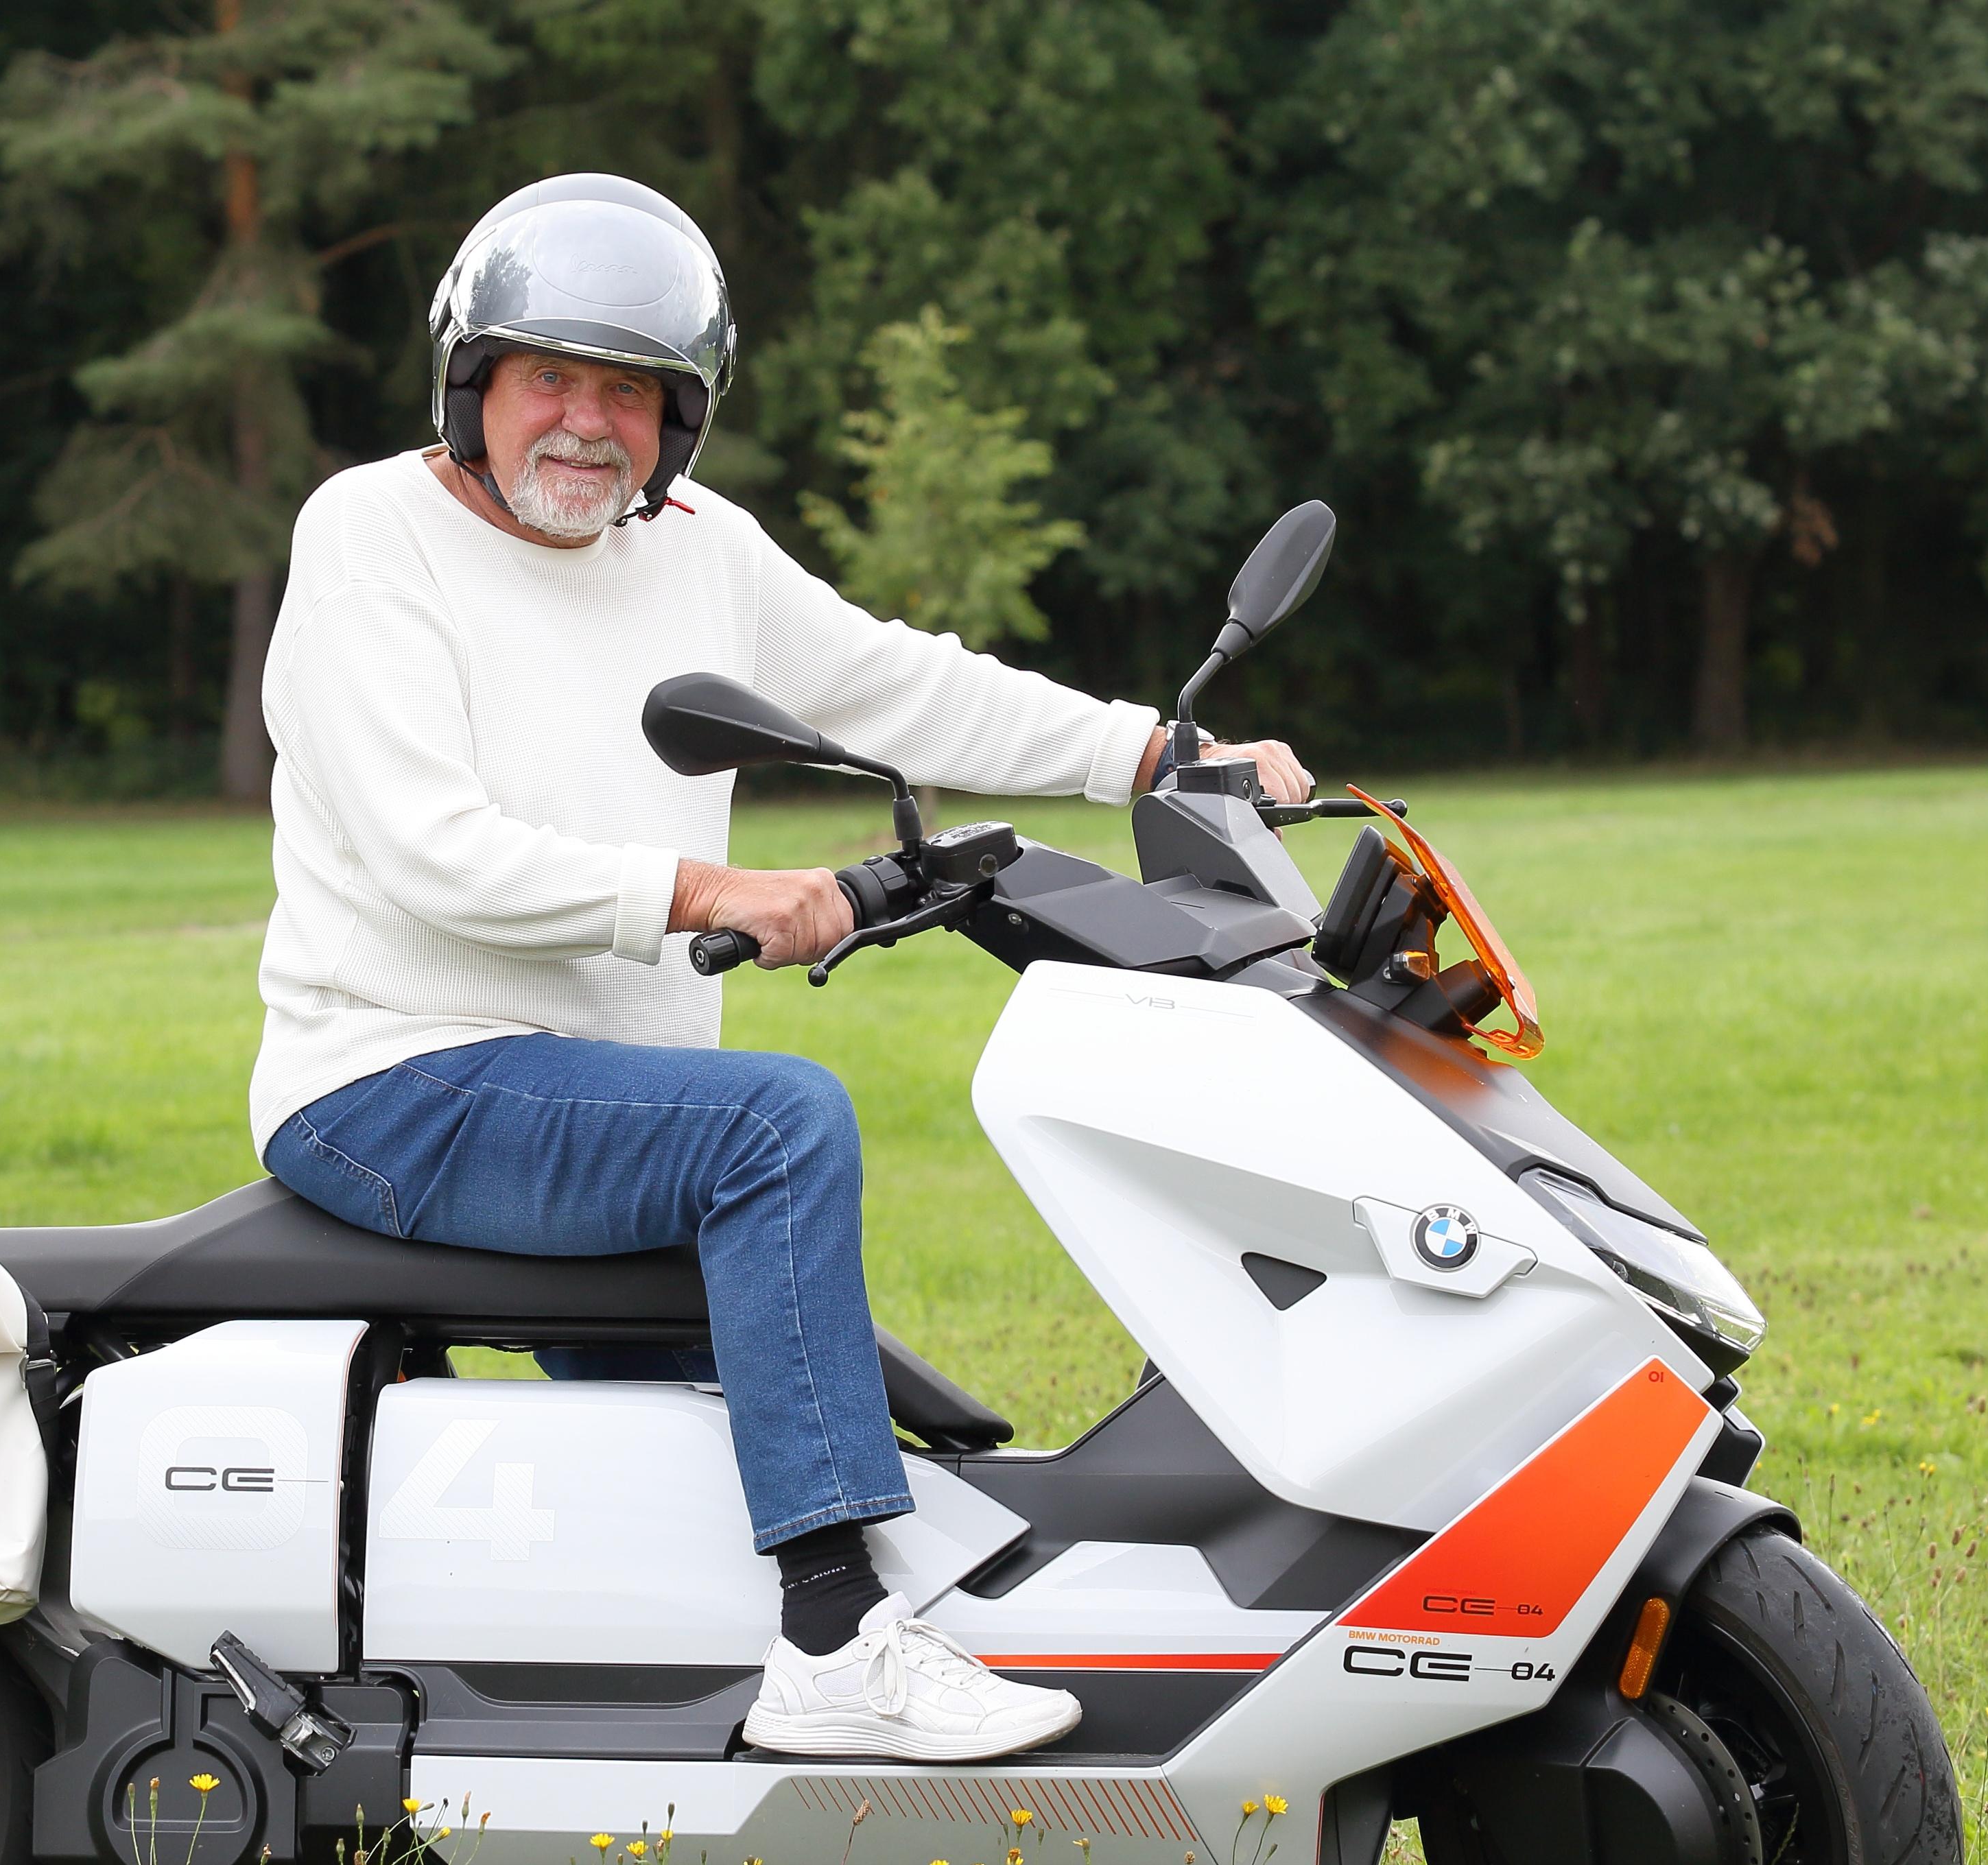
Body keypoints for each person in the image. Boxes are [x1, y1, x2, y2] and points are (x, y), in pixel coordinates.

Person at [251, 174, 1312, 1771]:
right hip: (394, 1080)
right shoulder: (368, 534)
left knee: (719, 1428)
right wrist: (705, 889)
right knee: (776, 1125)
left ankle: (649, 1774)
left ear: (681, 420)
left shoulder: (699, 551)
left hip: (609, 1106)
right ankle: (833, 1647)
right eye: (551, 377)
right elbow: (430, 849)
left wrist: (1157, 754)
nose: (588, 423)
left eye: (631, 392)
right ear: (471, 381)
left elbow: (895, 686)